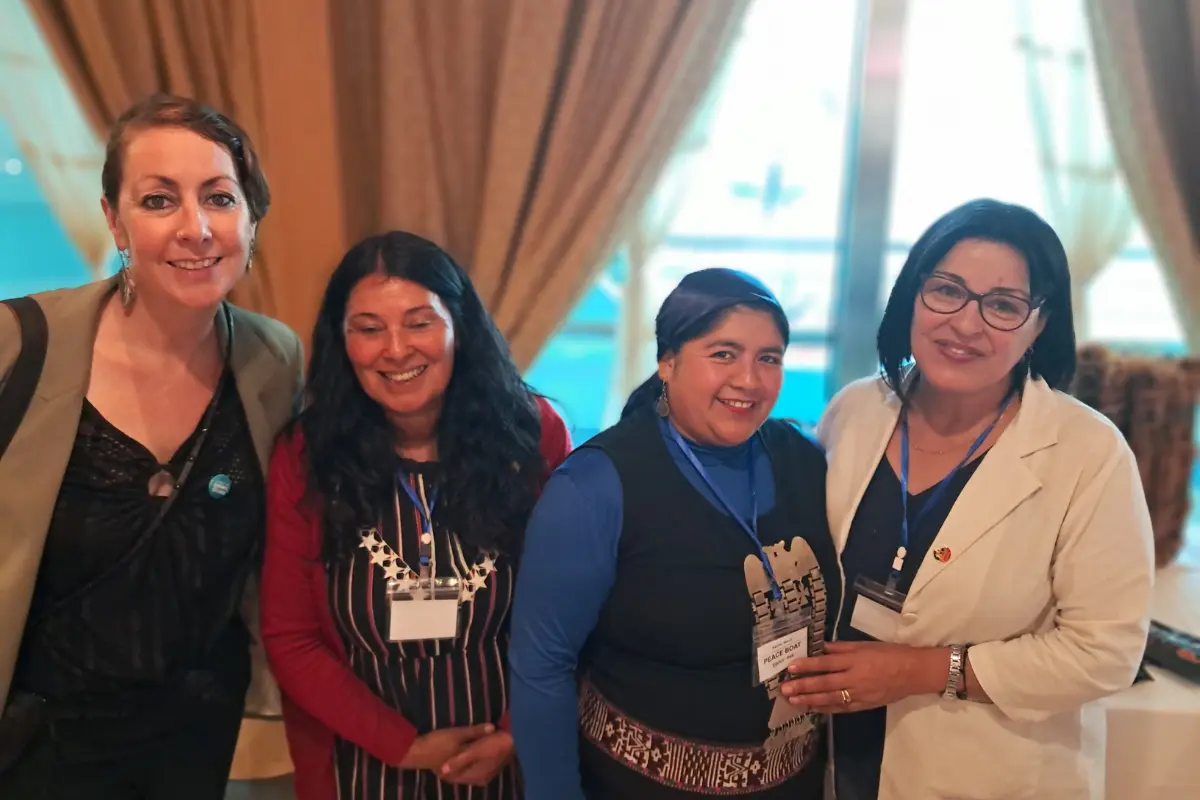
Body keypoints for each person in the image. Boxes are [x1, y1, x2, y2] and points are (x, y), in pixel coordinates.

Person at [783, 199, 1155, 799]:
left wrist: (920, 670)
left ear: (1040, 325)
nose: (965, 323)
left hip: (988, 772)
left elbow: (1104, 650)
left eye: (1003, 305)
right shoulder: (855, 410)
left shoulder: (1088, 453)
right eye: (947, 290)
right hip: (834, 754)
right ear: (912, 296)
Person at [0, 94, 304, 798]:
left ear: (250, 217)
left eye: (219, 198)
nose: (196, 229)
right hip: (32, 751)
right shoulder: (18, 347)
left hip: (195, 743)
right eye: (160, 200)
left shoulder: (273, 360)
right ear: (115, 219)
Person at [261, 231, 572, 799]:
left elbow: (568, 613)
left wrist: (512, 732)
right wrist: (403, 746)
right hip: (362, 765)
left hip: (511, 758)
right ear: (342, 340)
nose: (397, 349)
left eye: (420, 322)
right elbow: (291, 636)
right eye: (369, 328)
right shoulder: (306, 456)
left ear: (458, 327)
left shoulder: (534, 435)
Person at [509, 268, 839, 799]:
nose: (750, 380)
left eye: (769, 358)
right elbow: (542, 665)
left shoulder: (803, 460)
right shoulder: (595, 485)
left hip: (792, 782)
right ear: (668, 361)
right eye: (723, 354)